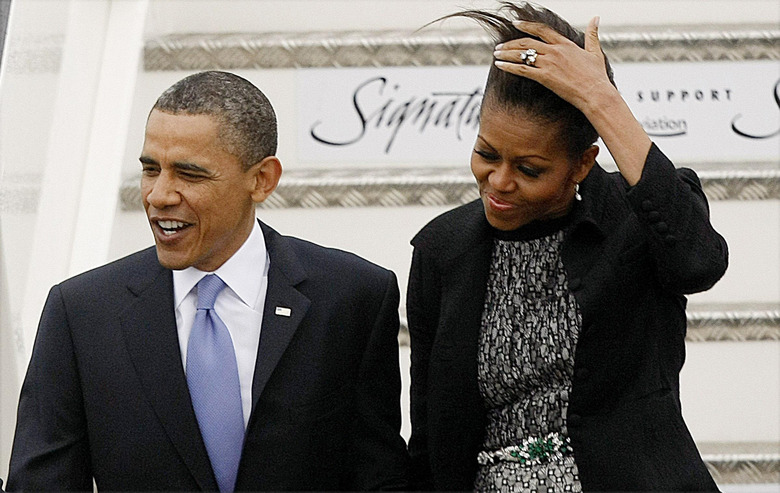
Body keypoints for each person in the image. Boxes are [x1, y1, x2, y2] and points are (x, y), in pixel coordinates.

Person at [7, 71, 409, 491]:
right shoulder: (82, 313)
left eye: (190, 174)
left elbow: (377, 476)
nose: (159, 195)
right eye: (150, 169)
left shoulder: (352, 296)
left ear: (262, 180)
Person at [407, 2, 728, 491]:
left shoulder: (635, 218)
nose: (499, 181)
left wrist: (602, 102)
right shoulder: (442, 249)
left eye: (530, 169)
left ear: (582, 164)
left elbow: (698, 261)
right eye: (485, 153)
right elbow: (431, 437)